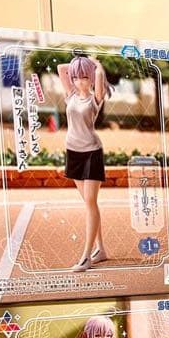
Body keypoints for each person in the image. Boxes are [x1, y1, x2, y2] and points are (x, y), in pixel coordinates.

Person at [57, 55, 111, 270]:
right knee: (90, 205)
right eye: (76, 77)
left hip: (91, 153)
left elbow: (98, 76)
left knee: (90, 203)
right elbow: (61, 68)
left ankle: (87, 256)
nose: (80, 81)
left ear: (91, 78)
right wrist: (78, 63)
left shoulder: (95, 98)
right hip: (73, 152)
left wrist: (96, 64)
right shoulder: (70, 95)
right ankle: (101, 249)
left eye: (84, 77)